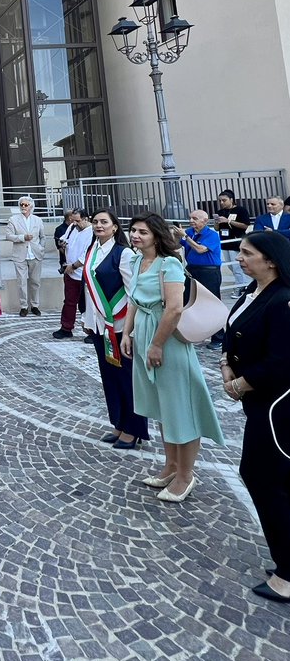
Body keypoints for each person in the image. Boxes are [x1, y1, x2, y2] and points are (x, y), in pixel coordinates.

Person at [120, 213, 225, 502]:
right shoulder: (136, 261)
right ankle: (171, 466)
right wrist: (127, 333)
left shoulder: (170, 264)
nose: (136, 235)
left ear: (156, 235)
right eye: (134, 230)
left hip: (167, 340)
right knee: (163, 407)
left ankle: (186, 475)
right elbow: (134, 300)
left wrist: (156, 344)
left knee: (181, 407)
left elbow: (174, 309)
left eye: (142, 231)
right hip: (144, 333)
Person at [221, 230, 290, 602]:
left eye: (247, 254)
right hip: (258, 399)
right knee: (275, 478)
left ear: (272, 260)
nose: (240, 259)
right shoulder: (252, 291)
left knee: (263, 476)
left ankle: (288, 573)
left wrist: (243, 383)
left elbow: (284, 360)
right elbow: (232, 332)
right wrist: (224, 365)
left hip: (278, 405)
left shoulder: (284, 300)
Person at [82, 211, 149, 449]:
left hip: (120, 327)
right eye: (96, 222)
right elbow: (89, 292)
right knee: (109, 378)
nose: (99, 225)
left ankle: (134, 429)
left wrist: (129, 330)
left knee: (126, 379)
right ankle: (119, 423)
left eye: (104, 222)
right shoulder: (92, 251)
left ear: (115, 227)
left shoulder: (124, 253)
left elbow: (133, 293)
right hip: (100, 326)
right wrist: (88, 320)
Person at [172, 210, 224, 349]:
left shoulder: (211, 235)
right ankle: (189, 333)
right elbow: (177, 245)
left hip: (209, 271)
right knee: (186, 300)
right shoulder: (189, 232)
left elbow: (200, 249)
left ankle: (219, 337)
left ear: (205, 221)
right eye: (190, 218)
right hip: (192, 270)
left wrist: (186, 237)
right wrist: (177, 237)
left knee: (211, 303)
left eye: (195, 218)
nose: (191, 221)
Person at [52, 210, 92, 338]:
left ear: (86, 219)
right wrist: (62, 244)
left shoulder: (91, 232)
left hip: (84, 273)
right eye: (72, 220)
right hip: (70, 273)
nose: (74, 223)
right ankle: (66, 327)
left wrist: (74, 266)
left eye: (78, 221)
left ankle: (91, 331)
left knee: (88, 304)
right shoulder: (72, 227)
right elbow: (64, 239)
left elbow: (87, 253)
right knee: (69, 302)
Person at [6, 196, 45, 317]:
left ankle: (35, 305)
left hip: (35, 254)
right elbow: (8, 235)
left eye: (26, 205)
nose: (23, 207)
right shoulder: (13, 219)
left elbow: (42, 236)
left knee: (35, 281)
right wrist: (22, 237)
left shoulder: (37, 220)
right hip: (20, 255)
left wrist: (41, 248)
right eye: (21, 205)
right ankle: (24, 306)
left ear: (31, 206)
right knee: (21, 281)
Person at [215, 190, 251, 296]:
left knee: (236, 266)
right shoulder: (221, 212)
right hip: (225, 241)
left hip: (236, 241)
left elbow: (245, 225)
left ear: (231, 200)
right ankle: (243, 283)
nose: (222, 203)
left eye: (224, 200)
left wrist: (229, 221)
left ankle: (240, 286)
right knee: (230, 266)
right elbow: (217, 228)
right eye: (220, 201)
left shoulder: (240, 210)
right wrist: (217, 222)